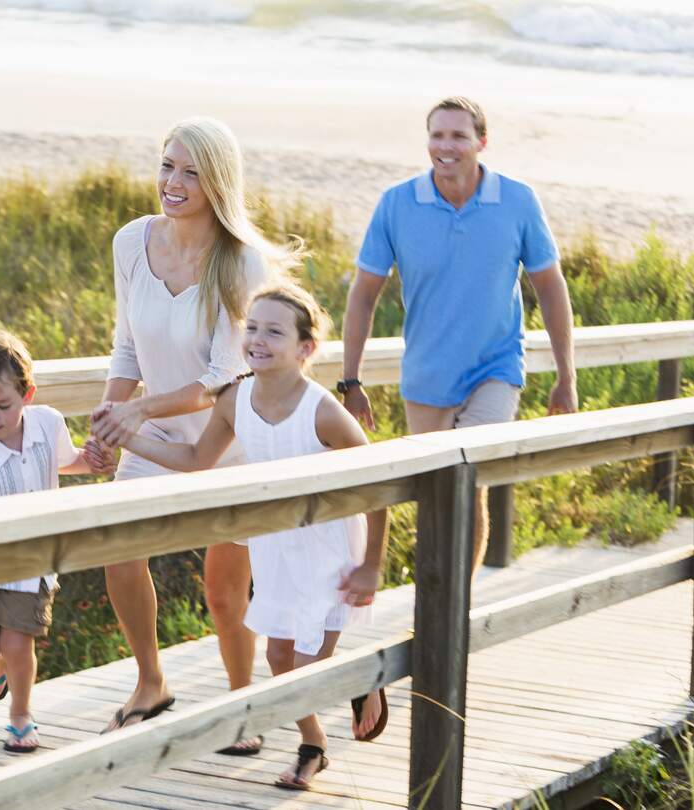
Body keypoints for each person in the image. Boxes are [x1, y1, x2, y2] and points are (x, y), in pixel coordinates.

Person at [109, 284, 390, 790]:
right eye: (253, 328)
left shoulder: (323, 411)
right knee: (280, 659)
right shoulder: (236, 400)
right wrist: (128, 435)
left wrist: (372, 563)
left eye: (275, 332)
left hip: (327, 547)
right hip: (275, 546)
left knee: (308, 663)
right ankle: (314, 744)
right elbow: (196, 461)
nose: (258, 340)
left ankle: (363, 678)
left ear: (305, 349)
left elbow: (378, 484)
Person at [87, 117, 296, 750]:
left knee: (224, 593)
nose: (172, 183)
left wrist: (139, 412)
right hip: (150, 440)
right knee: (119, 552)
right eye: (167, 166)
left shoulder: (241, 262)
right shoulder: (132, 242)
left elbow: (222, 377)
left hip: (224, 444)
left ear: (217, 183)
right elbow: (127, 348)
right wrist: (106, 421)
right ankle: (151, 683)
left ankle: (242, 709)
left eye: (190, 172)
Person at [341, 96, 577, 584]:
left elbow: (550, 287)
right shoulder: (397, 204)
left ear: (481, 142)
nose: (445, 146)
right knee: (434, 493)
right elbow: (364, 294)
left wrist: (565, 376)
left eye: (458, 136)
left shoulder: (516, 201)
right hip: (427, 373)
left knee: (469, 479)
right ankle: (435, 594)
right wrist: (350, 379)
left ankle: (456, 600)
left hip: (496, 366)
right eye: (437, 135)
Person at [0, 330, 100, 753]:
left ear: (27, 394)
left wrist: (92, 461)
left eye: (2, 406)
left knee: (17, 640)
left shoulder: (48, 424)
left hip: (31, 557)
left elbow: (67, 462)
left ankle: (20, 718)